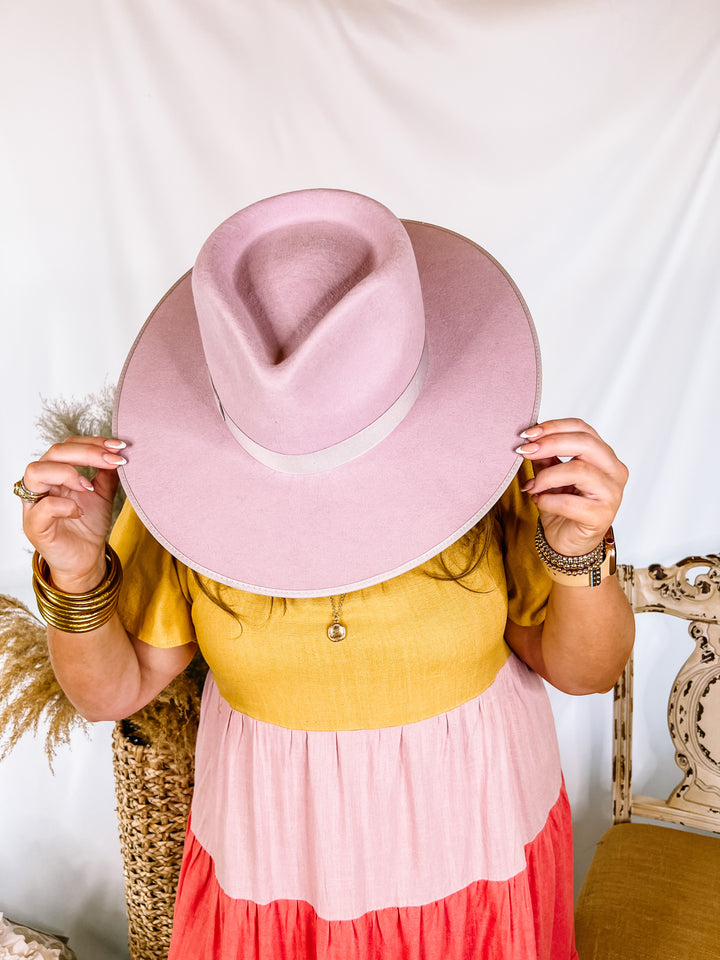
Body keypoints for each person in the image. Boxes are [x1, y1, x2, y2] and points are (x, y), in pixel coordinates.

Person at [16, 188, 634, 960]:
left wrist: (581, 551)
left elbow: (586, 672)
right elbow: (110, 693)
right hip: (277, 867)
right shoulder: (182, 497)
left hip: (480, 844)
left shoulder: (491, 463)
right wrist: (76, 575)